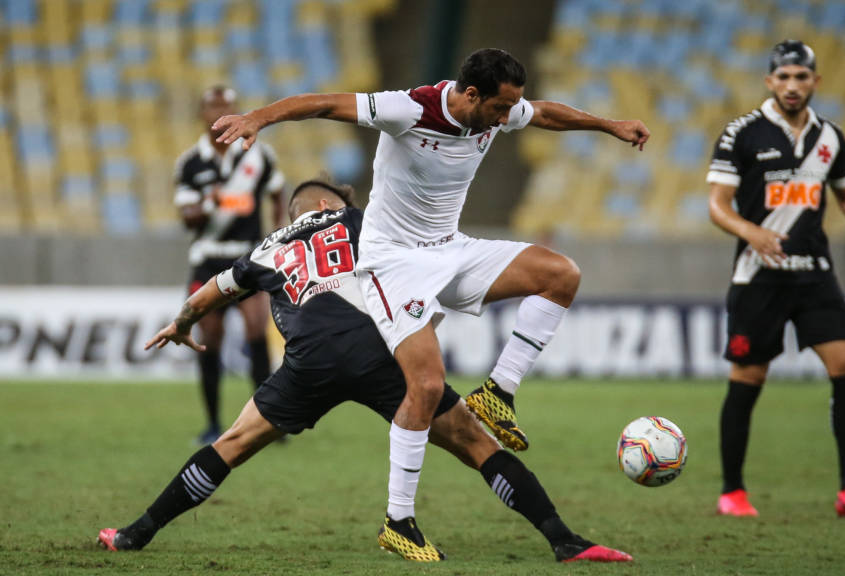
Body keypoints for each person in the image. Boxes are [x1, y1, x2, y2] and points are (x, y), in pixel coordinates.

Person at [211, 48, 650, 531]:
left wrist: (610, 126)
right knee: (426, 386)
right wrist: (257, 118)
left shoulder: (499, 111)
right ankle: (399, 520)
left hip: (449, 249)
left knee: (561, 274)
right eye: (501, 108)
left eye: (511, 108)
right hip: (392, 262)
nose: (507, 118)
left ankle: (499, 392)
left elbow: (544, 113)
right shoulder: (409, 109)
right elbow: (325, 103)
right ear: (471, 94)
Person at [97, 179, 632, 564]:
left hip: (309, 361)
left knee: (231, 444)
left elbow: (210, 292)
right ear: (327, 204)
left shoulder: (264, 250)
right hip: (378, 350)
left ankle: (134, 535)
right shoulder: (364, 221)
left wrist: (180, 323)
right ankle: (563, 539)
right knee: (475, 442)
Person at [705, 40, 845, 518]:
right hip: (758, 277)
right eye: (784, 77)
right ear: (770, 81)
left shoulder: (830, 138)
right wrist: (753, 233)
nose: (792, 85)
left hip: (814, 274)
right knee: (749, 376)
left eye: (801, 77)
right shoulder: (742, 133)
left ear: (815, 82)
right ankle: (732, 492)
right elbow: (718, 206)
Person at [174, 85, 286, 444]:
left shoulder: (259, 154)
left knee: (257, 332)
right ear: (202, 113)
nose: (221, 112)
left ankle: (266, 423)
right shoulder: (191, 162)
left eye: (228, 106)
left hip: (247, 257)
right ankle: (212, 424)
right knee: (210, 338)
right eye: (214, 106)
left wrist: (279, 232)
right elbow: (187, 218)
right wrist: (212, 203)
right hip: (208, 258)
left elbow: (277, 192)